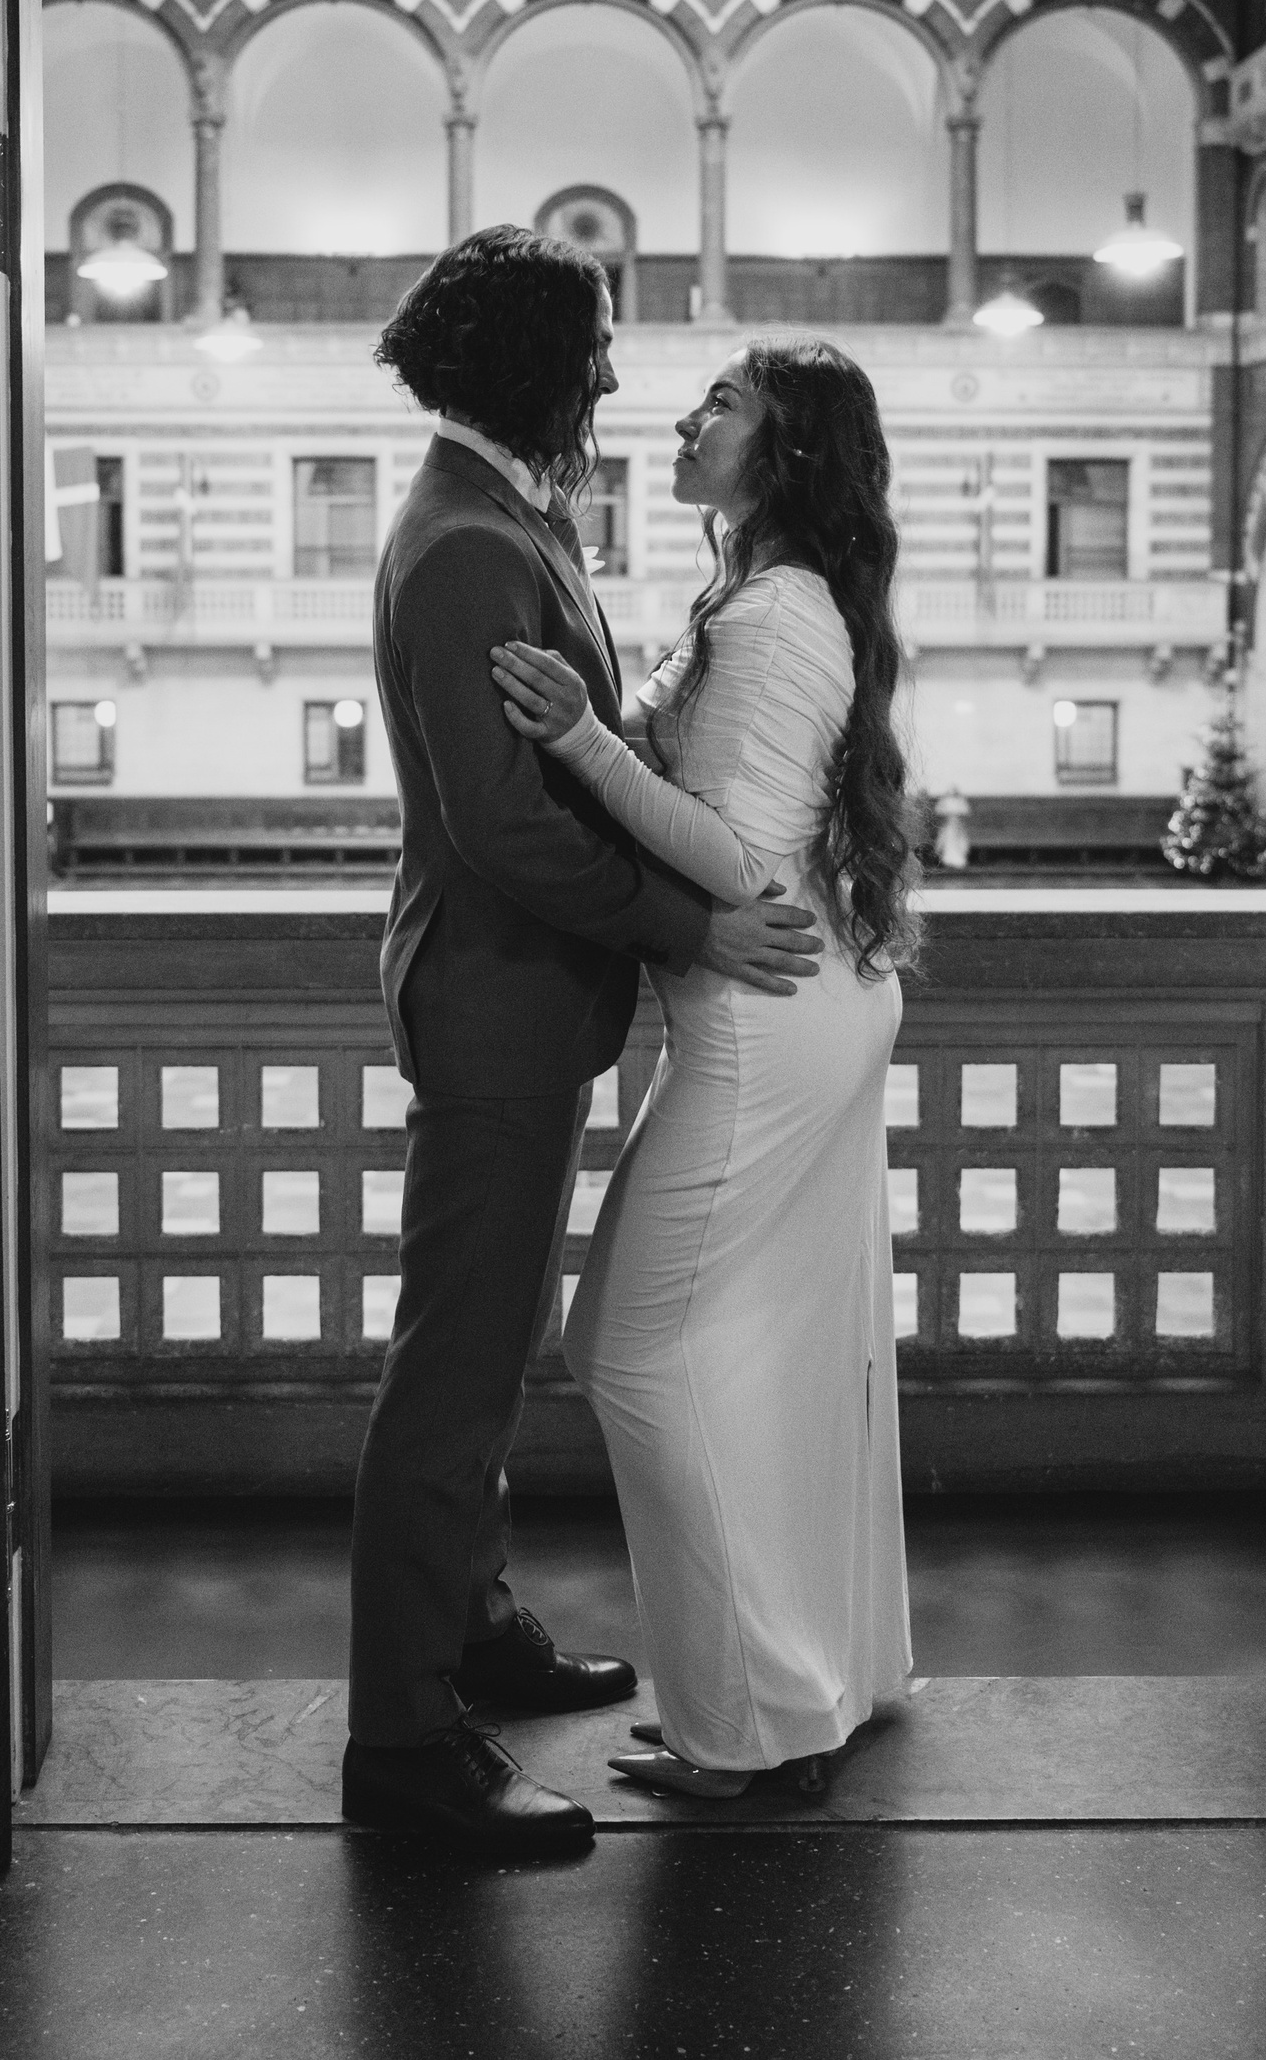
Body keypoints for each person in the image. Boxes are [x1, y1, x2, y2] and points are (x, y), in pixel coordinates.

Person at [342, 228, 822, 1853]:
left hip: (524, 1000)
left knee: (490, 1349)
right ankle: (403, 1738)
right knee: (452, 1373)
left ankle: (474, 1627)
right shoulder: (466, 544)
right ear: (534, 362)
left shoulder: (500, 512)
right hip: (495, 998)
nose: (613, 376)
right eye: (595, 346)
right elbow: (503, 827)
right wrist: (693, 926)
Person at [489, 335, 916, 1799]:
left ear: (785, 451)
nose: (684, 415)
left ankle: (748, 1721)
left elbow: (739, 858)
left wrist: (585, 740)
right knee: (778, 1350)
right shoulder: (769, 592)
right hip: (802, 1001)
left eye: (722, 401)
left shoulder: (777, 613)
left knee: (626, 1346)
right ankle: (818, 1673)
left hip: (763, 1017)